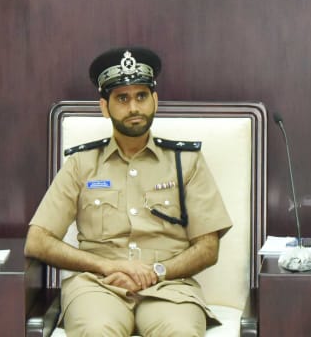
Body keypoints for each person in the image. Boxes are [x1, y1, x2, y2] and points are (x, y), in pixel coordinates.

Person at [25, 47, 232, 337]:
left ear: (155, 100)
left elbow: (208, 248)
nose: (134, 107)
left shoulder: (186, 162)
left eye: (141, 96)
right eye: (122, 98)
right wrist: (108, 265)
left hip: (169, 287)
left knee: (180, 332)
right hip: (98, 286)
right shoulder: (82, 163)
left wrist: (156, 271)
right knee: (96, 331)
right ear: (104, 107)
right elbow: (38, 241)